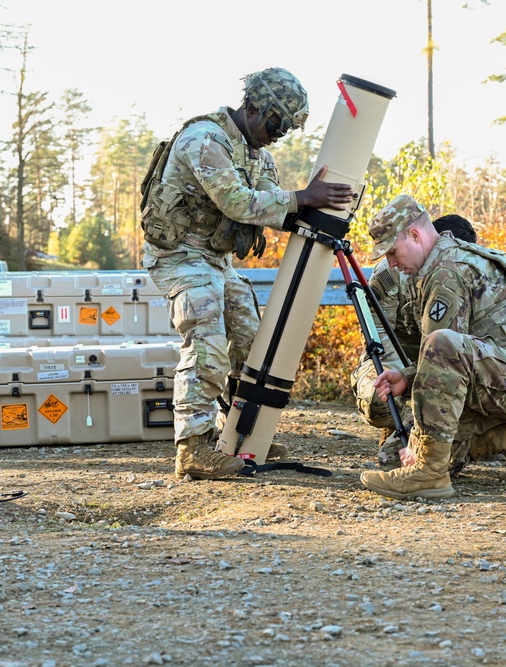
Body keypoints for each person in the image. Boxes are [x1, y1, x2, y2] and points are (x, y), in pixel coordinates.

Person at [141, 67, 355, 480]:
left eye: (287, 128)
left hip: (216, 260)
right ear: (253, 108)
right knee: (207, 339)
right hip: (179, 255)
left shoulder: (259, 156)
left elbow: (271, 209)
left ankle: (240, 436)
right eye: (276, 123)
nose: (279, 133)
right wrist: (300, 197)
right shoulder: (206, 140)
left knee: (252, 340)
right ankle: (194, 447)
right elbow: (239, 202)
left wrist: (315, 211)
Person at [357, 194, 506, 500]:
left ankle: (429, 474)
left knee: (439, 342)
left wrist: (421, 446)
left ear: (415, 235)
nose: (392, 264)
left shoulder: (446, 270)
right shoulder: (443, 259)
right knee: (391, 456)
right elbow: (446, 364)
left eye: (393, 252)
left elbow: (442, 354)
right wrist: (406, 378)